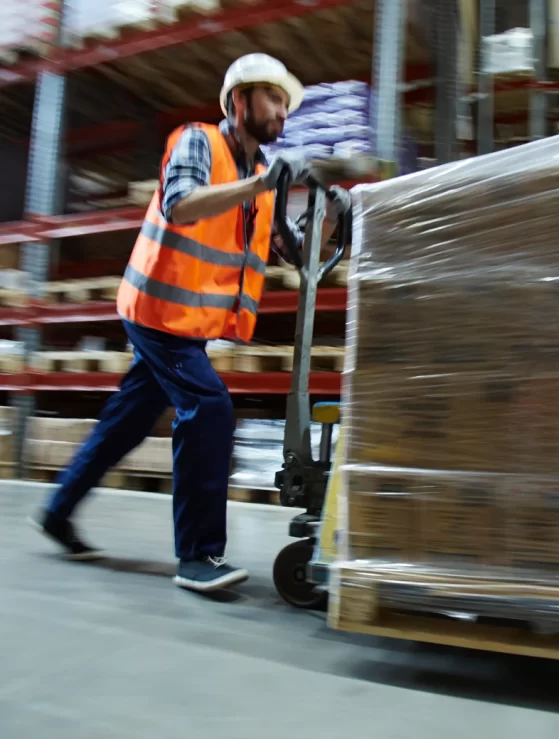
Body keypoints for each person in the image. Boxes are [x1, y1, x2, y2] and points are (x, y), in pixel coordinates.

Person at [32, 53, 351, 593]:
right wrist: (264, 186)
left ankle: (56, 511)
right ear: (239, 101)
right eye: (272, 98)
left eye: (286, 103)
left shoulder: (260, 176)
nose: (282, 111)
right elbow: (180, 205)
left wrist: (330, 216)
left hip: (188, 323)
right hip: (156, 311)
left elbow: (296, 254)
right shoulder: (198, 142)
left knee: (127, 422)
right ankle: (198, 556)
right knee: (208, 408)